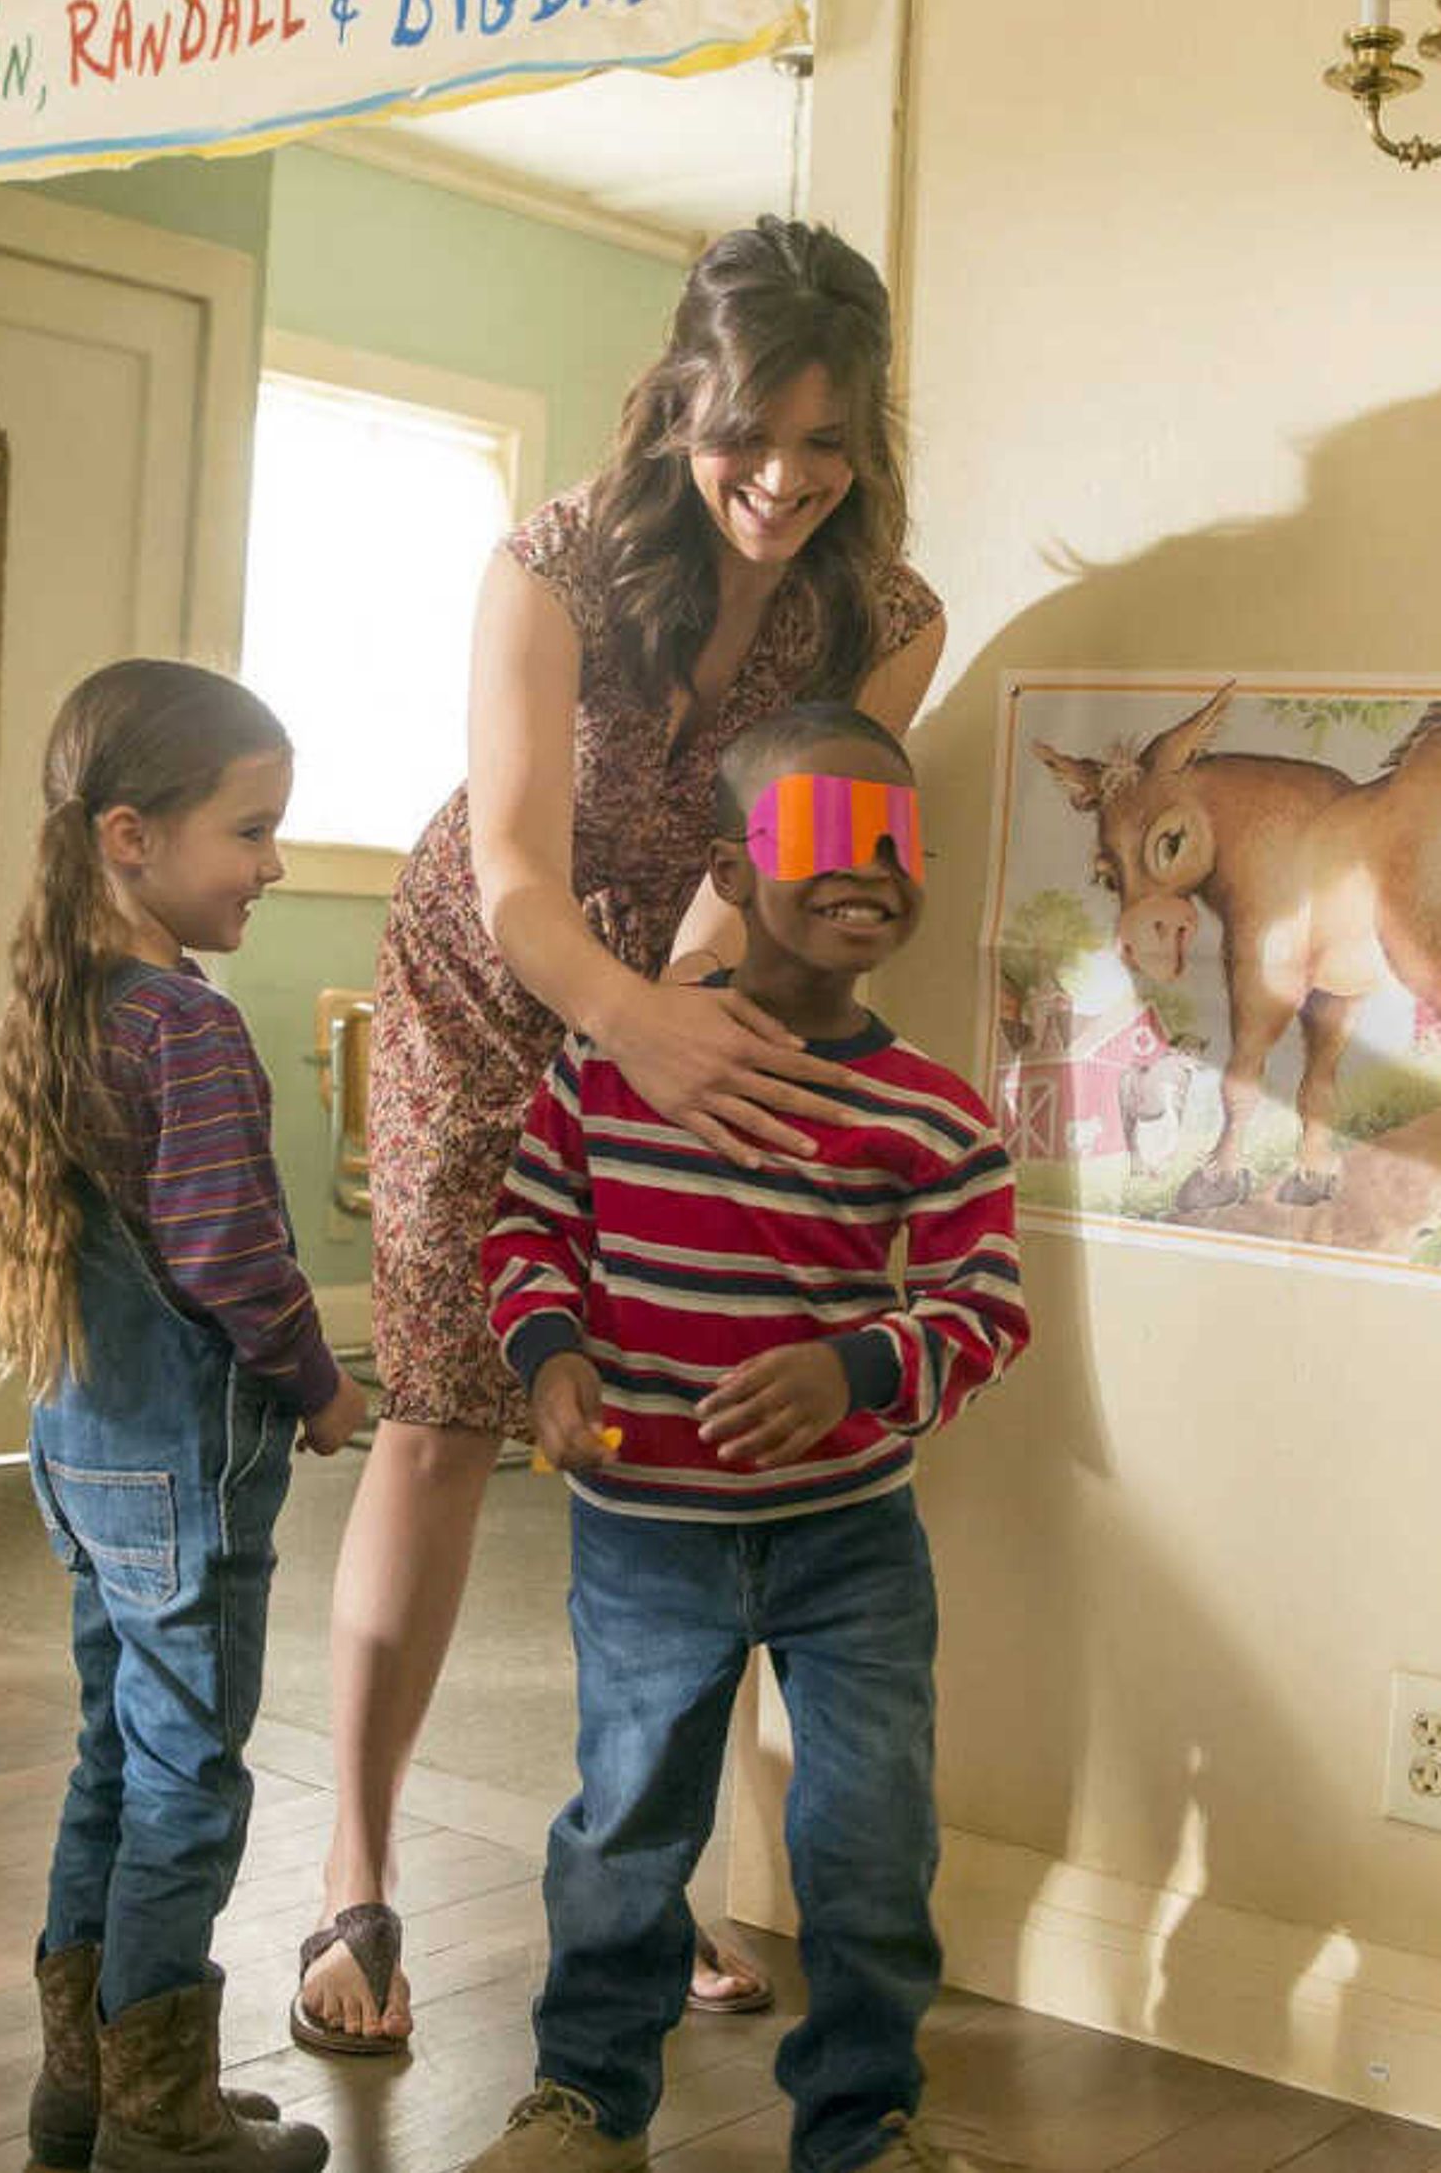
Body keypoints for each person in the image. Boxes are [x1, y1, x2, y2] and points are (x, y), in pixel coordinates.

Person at [299, 219, 948, 2053]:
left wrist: (696, 1017)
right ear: (683, 397)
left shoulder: (885, 619)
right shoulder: (556, 568)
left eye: (830, 444)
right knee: (440, 1412)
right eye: (754, 432)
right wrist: (629, 1022)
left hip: (693, 992)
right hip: (485, 983)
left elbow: (788, 854)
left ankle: (637, 1892)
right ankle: (356, 1876)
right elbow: (515, 870)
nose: (787, 481)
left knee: (673, 1431)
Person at [463, 704, 1024, 2173]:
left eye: (896, 843)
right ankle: (586, 2101)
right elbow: (531, 1228)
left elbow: (986, 1304)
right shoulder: (612, 1073)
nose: (871, 871)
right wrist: (553, 1352)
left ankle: (861, 2122)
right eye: (828, 837)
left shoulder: (936, 1117)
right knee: (626, 1832)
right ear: (732, 862)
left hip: (853, 1547)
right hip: (646, 1538)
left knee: (869, 1845)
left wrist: (858, 1365)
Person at [0, 659, 373, 2173]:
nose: (272, 864)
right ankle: (160, 2115)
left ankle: (81, 2083)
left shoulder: (72, 1000)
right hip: (184, 1480)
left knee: (112, 1762)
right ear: (130, 835)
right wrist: (321, 1384)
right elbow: (233, 1260)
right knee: (190, 1781)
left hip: (83, 1459)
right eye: (252, 832)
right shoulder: (183, 1028)